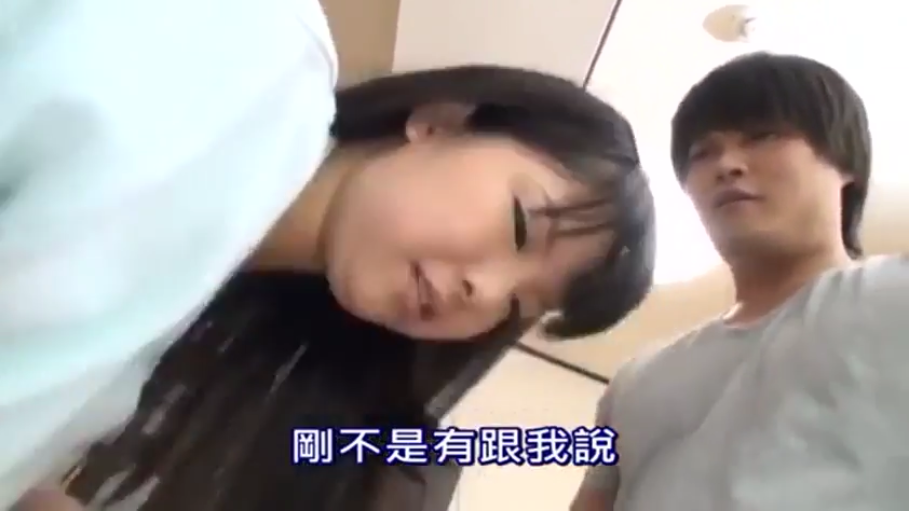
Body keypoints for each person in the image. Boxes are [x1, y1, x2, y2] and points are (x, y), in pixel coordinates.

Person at [1, 0, 656, 508]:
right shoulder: (242, 47)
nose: (482, 293)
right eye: (520, 225)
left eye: (517, 305)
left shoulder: (182, 347)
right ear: (439, 122)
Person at [571, 51, 909, 511]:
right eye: (702, 153)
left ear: (845, 161)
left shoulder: (895, 297)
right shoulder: (633, 382)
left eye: (763, 136)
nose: (727, 164)